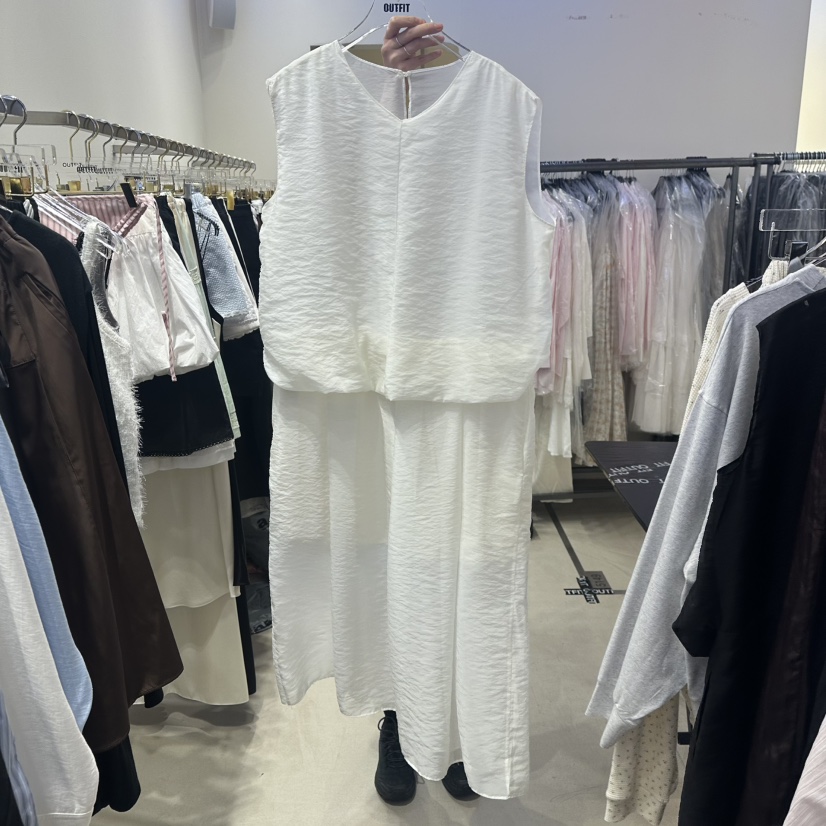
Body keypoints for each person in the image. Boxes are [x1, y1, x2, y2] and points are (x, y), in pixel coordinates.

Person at [371, 15, 478, 808]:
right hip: (375, 371)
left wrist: (452, 68)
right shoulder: (354, 108)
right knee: (391, 556)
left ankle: (464, 723)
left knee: (468, 559)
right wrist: (387, 85)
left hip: (466, 370)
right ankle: (398, 716)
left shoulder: (488, 108)